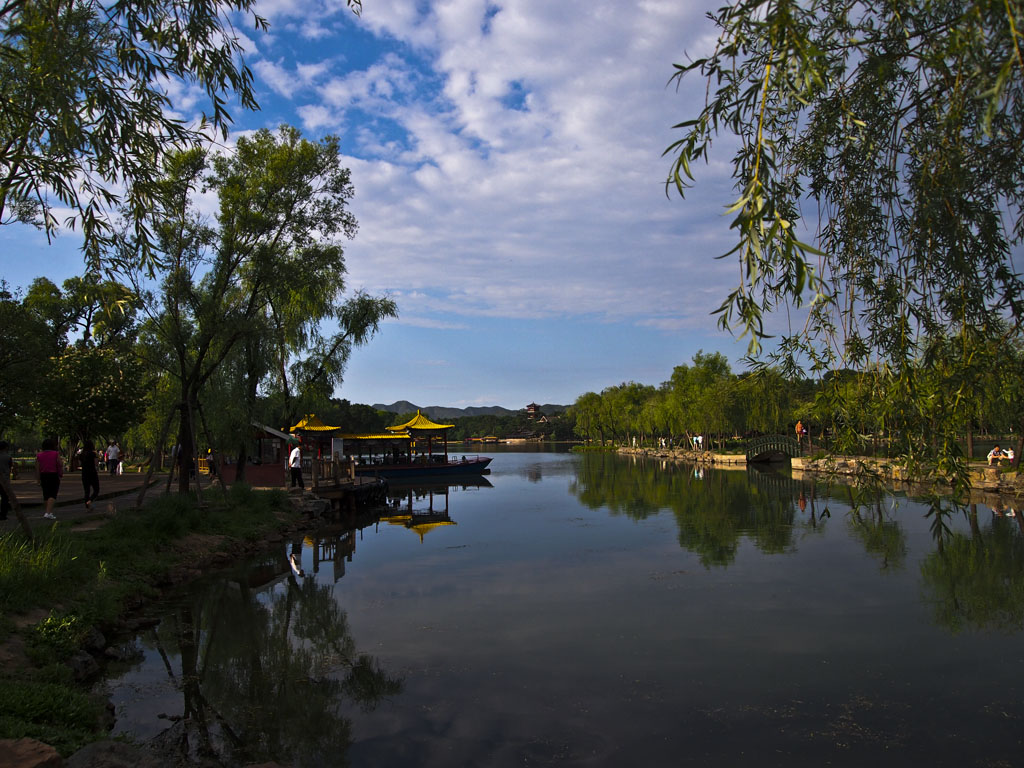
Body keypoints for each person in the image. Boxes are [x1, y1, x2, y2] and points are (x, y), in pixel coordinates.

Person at [36, 438, 63, 520]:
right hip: (53, 475)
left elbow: (37, 468)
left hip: (43, 475)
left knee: (46, 494)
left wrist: (38, 479)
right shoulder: (55, 454)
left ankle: (48, 512)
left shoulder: (39, 455)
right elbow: (60, 464)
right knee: (53, 494)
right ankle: (48, 513)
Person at [80, 439, 100, 510]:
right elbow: (96, 463)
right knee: (96, 490)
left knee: (86, 491)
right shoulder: (93, 454)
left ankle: (87, 507)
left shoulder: (82, 454)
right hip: (92, 473)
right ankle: (90, 501)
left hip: (84, 473)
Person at [0, 441, 12, 521]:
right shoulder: (8, 457)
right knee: (5, 497)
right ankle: (3, 515)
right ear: (6, 447)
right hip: (5, 480)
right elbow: (10, 467)